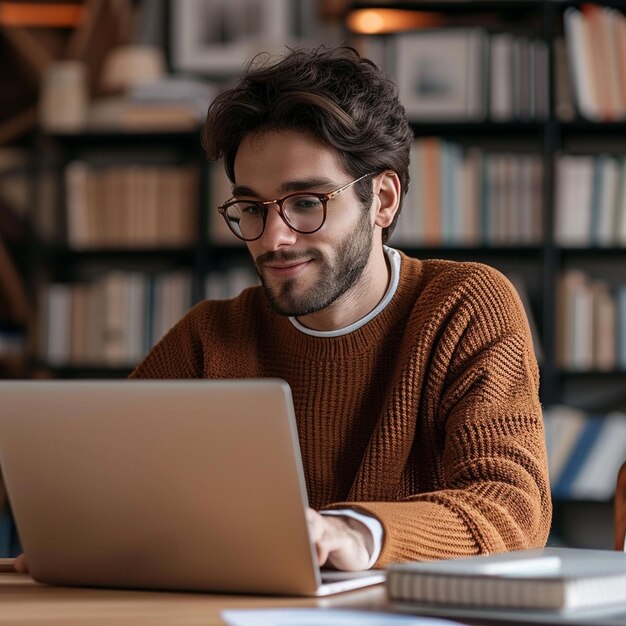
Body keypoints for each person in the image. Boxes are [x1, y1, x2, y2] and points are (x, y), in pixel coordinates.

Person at [15, 45, 551, 575]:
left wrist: (354, 532)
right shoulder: (212, 335)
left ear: (383, 200)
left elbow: (513, 507)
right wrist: (76, 539)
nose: (274, 238)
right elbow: (106, 485)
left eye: (306, 202)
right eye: (252, 208)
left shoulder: (464, 305)